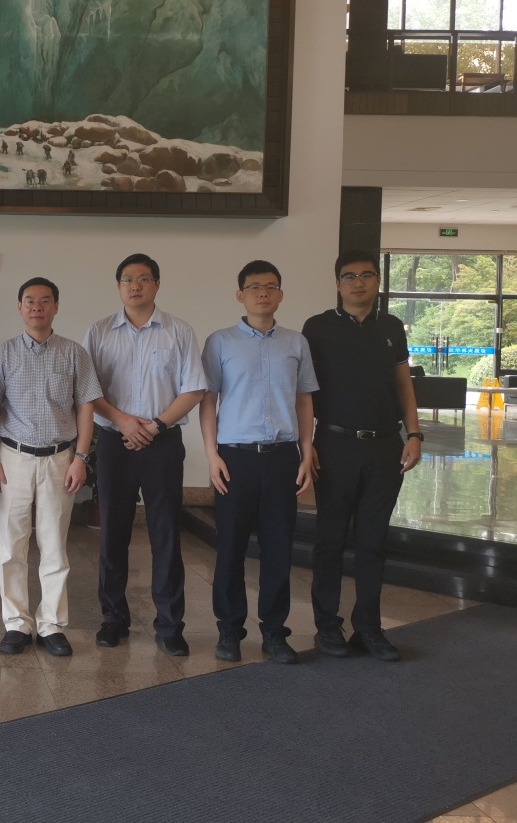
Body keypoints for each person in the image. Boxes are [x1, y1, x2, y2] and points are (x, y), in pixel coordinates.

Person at [83, 254, 206, 657]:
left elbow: (193, 389)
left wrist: (153, 426)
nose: (135, 285)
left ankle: (169, 624)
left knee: (166, 533)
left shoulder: (179, 331)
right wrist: (123, 421)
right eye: (128, 279)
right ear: (118, 286)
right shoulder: (99, 331)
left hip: (162, 442)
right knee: (112, 532)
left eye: (144, 279)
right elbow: (88, 391)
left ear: (157, 285)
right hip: (113, 443)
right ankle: (113, 619)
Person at [303, 250, 423, 662]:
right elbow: (304, 391)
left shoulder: (391, 327)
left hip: (385, 447)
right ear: (338, 283)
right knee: (330, 541)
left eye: (367, 275)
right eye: (349, 276)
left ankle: (369, 628)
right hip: (334, 445)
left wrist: (414, 434)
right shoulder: (317, 328)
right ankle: (327, 627)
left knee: (373, 542)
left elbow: (403, 384)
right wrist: (306, 444)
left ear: (377, 281)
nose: (358, 282)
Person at [199, 261, 317, 665]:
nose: (262, 293)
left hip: (282, 456)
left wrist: (306, 451)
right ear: (240, 295)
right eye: (254, 287)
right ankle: (230, 630)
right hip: (234, 457)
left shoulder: (296, 343)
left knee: (278, 547)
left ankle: (274, 632)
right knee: (230, 546)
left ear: (280, 294)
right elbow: (208, 401)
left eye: (270, 286)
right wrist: (211, 454)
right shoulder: (220, 342)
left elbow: (304, 400)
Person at [0, 277, 98, 657]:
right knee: (12, 545)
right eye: (30, 301)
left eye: (45, 301)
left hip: (59, 459)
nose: (37, 307)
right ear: (20, 307)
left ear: (56, 307)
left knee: (54, 545)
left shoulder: (74, 353)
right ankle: (16, 623)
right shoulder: (3, 354)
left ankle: (51, 624)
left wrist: (81, 458)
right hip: (12, 457)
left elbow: (86, 407)